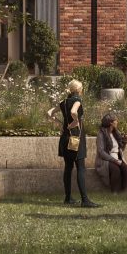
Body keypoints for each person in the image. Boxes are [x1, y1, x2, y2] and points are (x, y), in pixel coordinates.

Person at [52, 79, 95, 208]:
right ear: (79, 90)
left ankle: (68, 198)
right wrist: (75, 122)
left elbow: (49, 113)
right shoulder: (77, 100)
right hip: (76, 137)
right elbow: (73, 112)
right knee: (81, 168)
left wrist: (61, 123)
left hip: (65, 137)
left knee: (68, 168)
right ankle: (85, 200)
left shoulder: (63, 102)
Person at [98, 112, 127, 194]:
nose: (117, 122)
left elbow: (120, 149)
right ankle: (114, 192)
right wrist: (114, 160)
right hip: (106, 160)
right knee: (116, 170)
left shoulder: (116, 133)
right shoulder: (101, 134)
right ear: (111, 123)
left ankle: (124, 191)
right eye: (115, 120)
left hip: (117, 157)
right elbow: (101, 152)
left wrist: (124, 141)